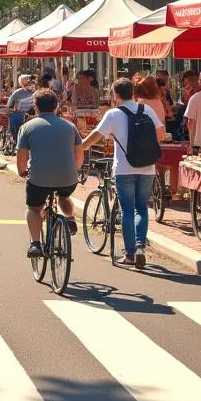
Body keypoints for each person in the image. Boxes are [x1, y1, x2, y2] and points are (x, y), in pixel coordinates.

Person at [83, 77, 165, 269]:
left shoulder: (113, 114)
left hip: (124, 169)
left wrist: (81, 146)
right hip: (147, 168)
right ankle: (140, 247)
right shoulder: (147, 110)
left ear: (116, 95)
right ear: (133, 93)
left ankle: (129, 255)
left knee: (127, 210)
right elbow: (160, 133)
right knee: (141, 208)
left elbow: (97, 135)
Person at [16, 88, 83, 259]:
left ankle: (35, 243)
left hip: (39, 178)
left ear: (35, 106)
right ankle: (69, 218)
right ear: (56, 106)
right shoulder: (70, 126)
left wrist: (23, 172)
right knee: (64, 197)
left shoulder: (27, 127)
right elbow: (79, 158)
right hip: (68, 178)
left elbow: (21, 160)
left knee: (34, 208)